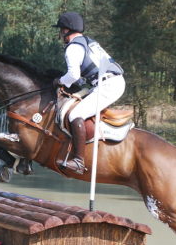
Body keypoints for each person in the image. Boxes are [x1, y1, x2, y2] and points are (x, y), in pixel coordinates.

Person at [52, 11, 125, 174]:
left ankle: (78, 161)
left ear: (65, 30)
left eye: (60, 30)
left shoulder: (73, 47)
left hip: (108, 85)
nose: (60, 34)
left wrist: (59, 81)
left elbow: (73, 75)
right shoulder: (88, 42)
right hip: (107, 82)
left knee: (75, 114)